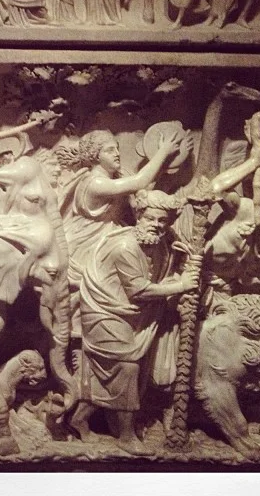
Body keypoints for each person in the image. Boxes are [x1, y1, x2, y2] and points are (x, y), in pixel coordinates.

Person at [70, 190, 199, 455]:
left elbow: (161, 274)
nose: (156, 225)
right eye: (150, 218)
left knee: (113, 374)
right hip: (105, 313)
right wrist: (182, 285)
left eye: (162, 220)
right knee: (127, 368)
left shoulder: (160, 242)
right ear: (138, 216)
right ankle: (126, 437)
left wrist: (185, 262)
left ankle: (80, 418)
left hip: (131, 314)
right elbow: (139, 290)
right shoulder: (125, 246)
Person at [56, 129, 183, 337]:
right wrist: (163, 152)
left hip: (107, 238)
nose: (117, 153)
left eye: (117, 148)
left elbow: (142, 191)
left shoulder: (114, 178)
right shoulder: (95, 182)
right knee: (83, 301)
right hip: (87, 244)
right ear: (95, 156)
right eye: (109, 150)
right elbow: (140, 182)